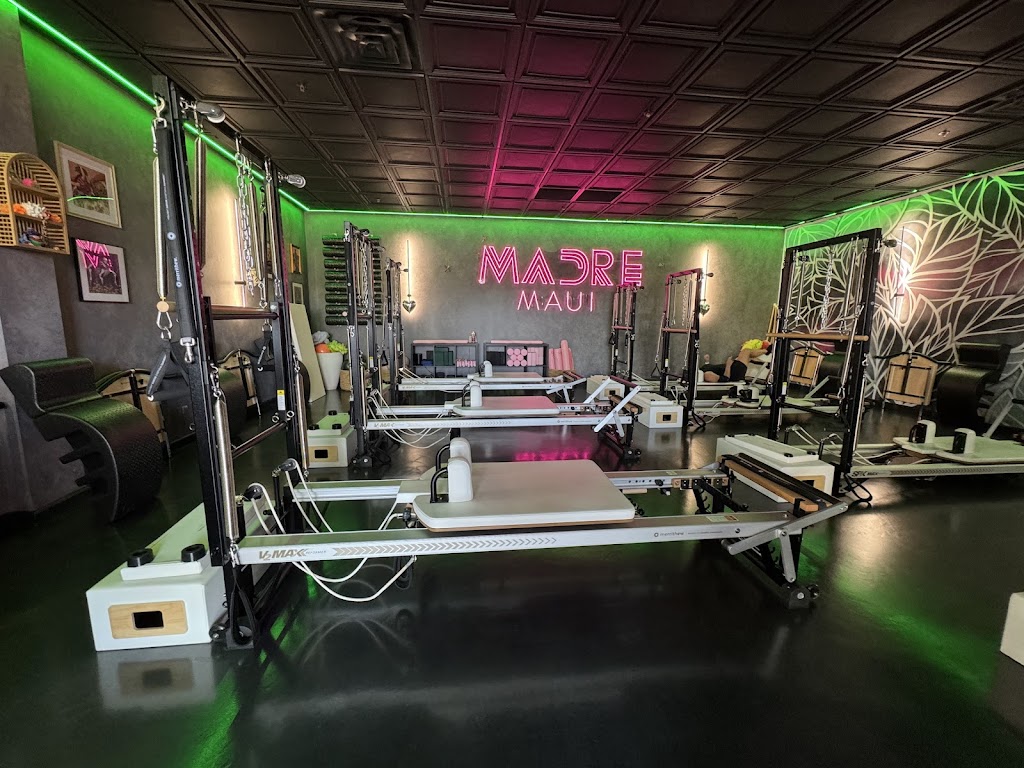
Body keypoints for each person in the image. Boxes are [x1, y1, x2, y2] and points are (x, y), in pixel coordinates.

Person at [702, 340, 771, 383]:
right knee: (746, 351)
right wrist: (728, 365)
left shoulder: (702, 370)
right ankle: (767, 350)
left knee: (747, 353)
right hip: (735, 375)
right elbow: (725, 379)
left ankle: (765, 351)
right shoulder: (707, 375)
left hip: (733, 370)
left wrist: (707, 362)